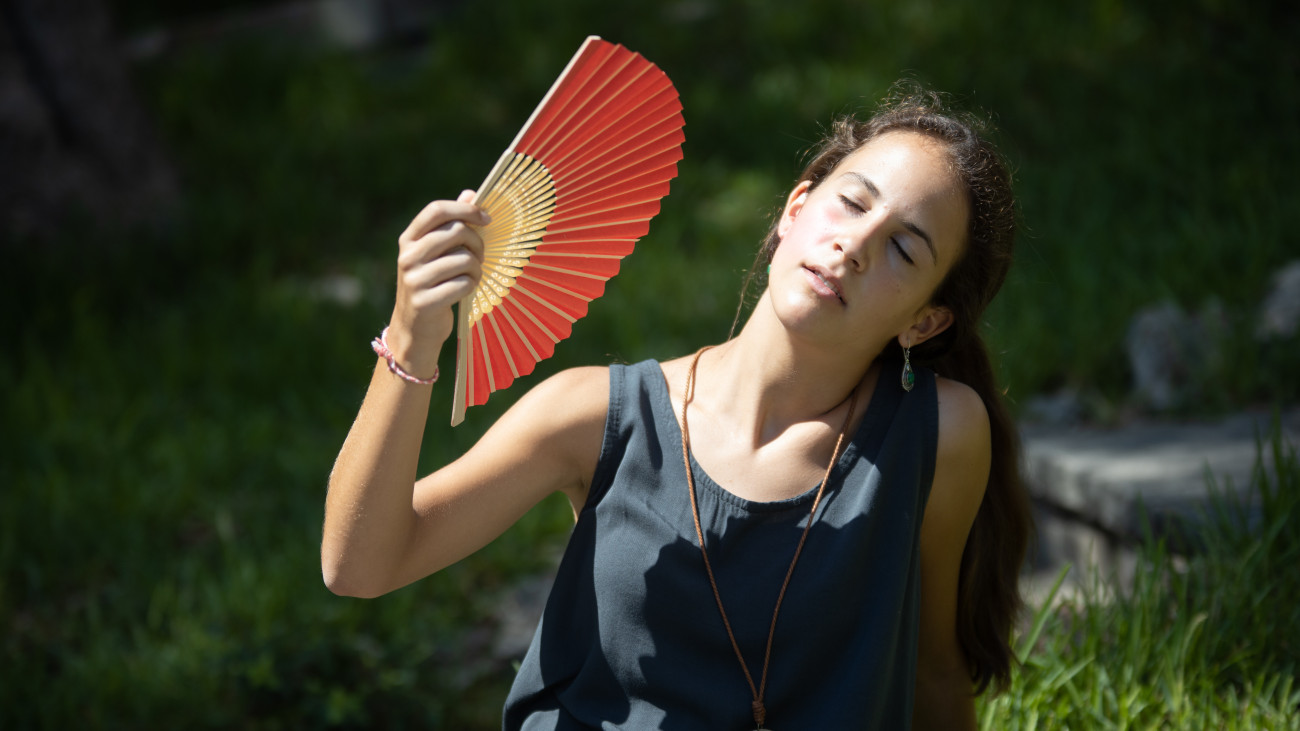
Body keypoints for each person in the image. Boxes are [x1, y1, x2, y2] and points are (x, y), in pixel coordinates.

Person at [322, 85, 1032, 730]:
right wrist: (413, 340)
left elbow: (929, 667)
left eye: (904, 250)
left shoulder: (937, 436)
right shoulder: (594, 414)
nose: (855, 244)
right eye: (850, 202)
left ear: (924, 323)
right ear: (795, 209)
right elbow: (359, 566)